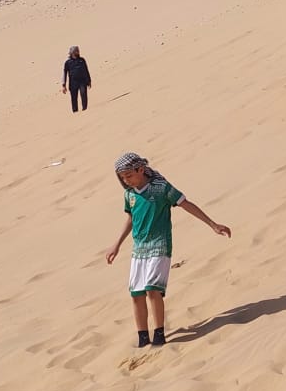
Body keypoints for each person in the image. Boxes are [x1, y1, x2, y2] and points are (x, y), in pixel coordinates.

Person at [105, 152, 231, 347]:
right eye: (122, 177)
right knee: (136, 293)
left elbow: (185, 204)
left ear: (140, 169)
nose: (126, 180)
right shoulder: (129, 195)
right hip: (139, 249)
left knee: (152, 290)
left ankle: (159, 334)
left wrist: (213, 224)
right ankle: (142, 337)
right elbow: (131, 218)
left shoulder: (161, 188)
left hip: (160, 245)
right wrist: (117, 244)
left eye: (129, 175)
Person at [61, 45, 93, 113]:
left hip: (82, 81)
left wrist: (89, 80)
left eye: (78, 51)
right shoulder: (68, 63)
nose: (78, 52)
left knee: (83, 94)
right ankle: (75, 112)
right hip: (73, 83)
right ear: (72, 52)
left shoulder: (82, 60)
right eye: (76, 51)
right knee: (74, 98)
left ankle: (85, 109)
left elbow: (86, 70)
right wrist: (63, 85)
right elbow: (64, 73)